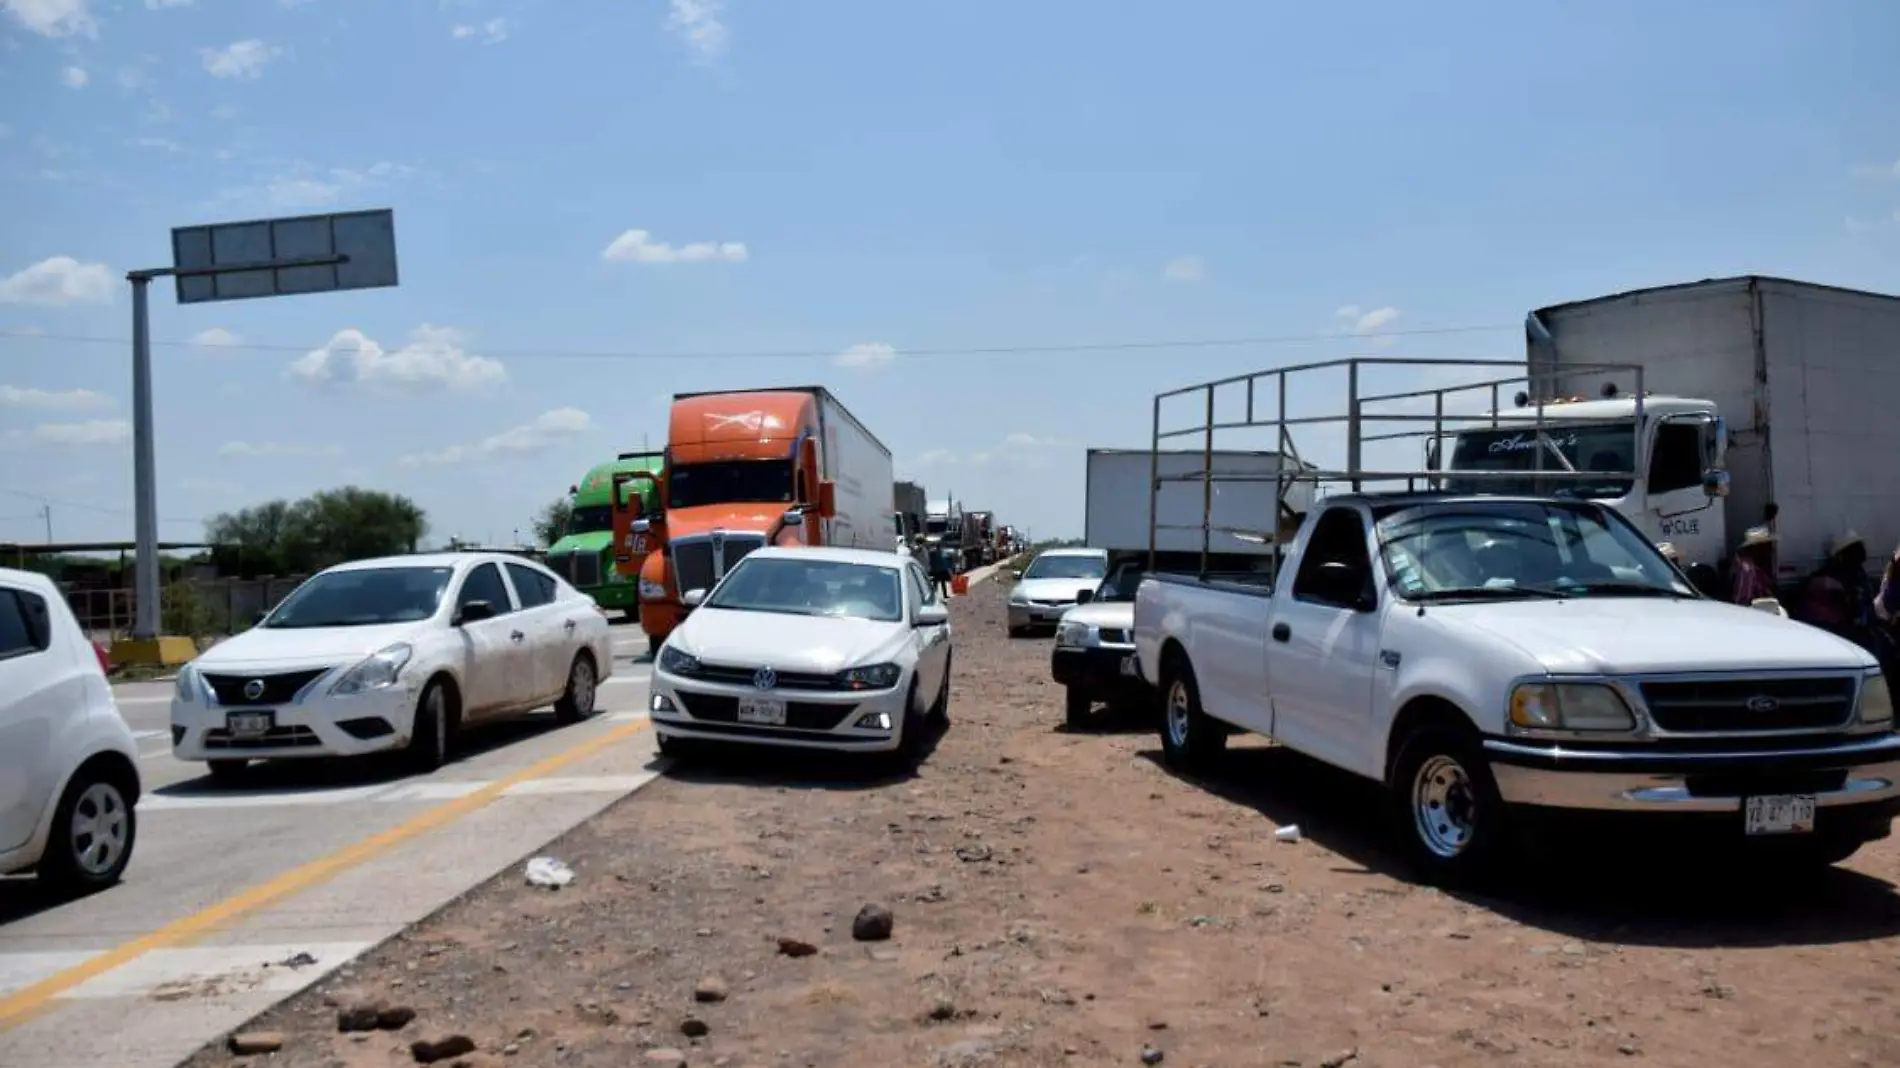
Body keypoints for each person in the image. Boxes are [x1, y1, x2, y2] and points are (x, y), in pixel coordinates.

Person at [1799, 531, 1872, 639]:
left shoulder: (1857, 572)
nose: (1861, 551)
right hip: (1834, 630)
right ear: (1842, 555)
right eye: (1854, 548)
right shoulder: (1831, 578)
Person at [1729, 526, 1777, 606]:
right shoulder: (1747, 570)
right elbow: (1742, 601)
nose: (1771, 549)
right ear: (1759, 548)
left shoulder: (1757, 567)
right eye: (1768, 545)